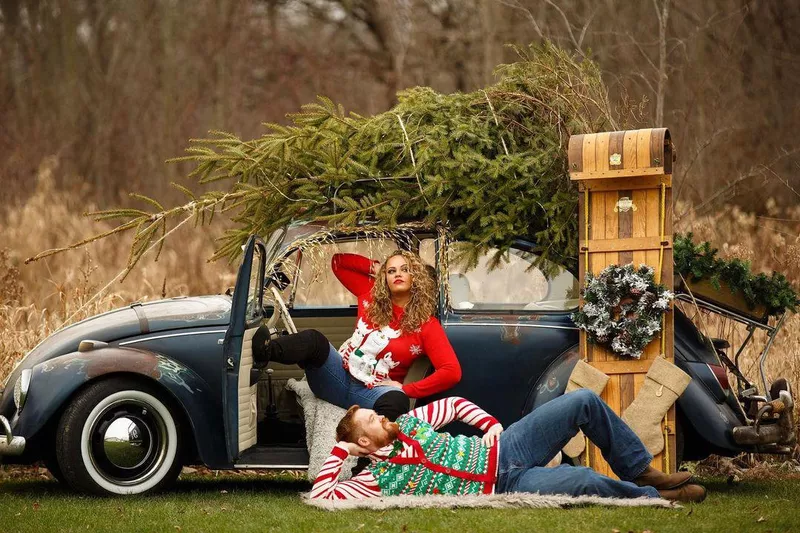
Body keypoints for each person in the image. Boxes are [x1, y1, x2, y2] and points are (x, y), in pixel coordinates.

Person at [309, 389, 707, 503]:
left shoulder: (410, 422)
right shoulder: (378, 480)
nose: (383, 417)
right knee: (584, 479)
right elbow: (321, 493)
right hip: (505, 486)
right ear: (364, 441)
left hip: (505, 448)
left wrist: (491, 426)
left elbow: (454, 405)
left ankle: (639, 468)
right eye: (373, 422)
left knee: (581, 401)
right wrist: (344, 452)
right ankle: (655, 495)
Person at [253, 249, 461, 422]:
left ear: (416, 278)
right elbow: (338, 263)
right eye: (392, 271)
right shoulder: (369, 294)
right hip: (338, 377)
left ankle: (366, 466)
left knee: (397, 402)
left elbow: (451, 371)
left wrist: (407, 388)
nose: (397, 274)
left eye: (405, 270)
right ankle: (260, 352)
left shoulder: (427, 325)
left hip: (374, 393)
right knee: (314, 339)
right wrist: (377, 268)